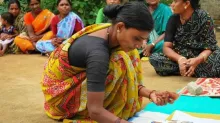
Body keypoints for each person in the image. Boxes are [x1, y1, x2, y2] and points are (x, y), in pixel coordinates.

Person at [41, 1, 179, 122]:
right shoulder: (98, 54)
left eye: (143, 39)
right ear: (119, 27)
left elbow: (126, 80)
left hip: (91, 80)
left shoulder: (111, 32)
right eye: (137, 38)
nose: (140, 44)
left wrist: (150, 93)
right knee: (119, 62)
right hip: (61, 99)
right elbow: (95, 111)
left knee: (126, 56)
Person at [149, 0, 220, 77]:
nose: (172, 5)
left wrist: (197, 60)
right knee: (155, 58)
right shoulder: (173, 19)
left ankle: (186, 69)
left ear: (186, 4)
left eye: (175, 1)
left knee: (217, 57)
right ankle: (192, 70)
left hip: (201, 57)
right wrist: (180, 59)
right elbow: (166, 47)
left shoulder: (204, 17)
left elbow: (210, 47)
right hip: (180, 56)